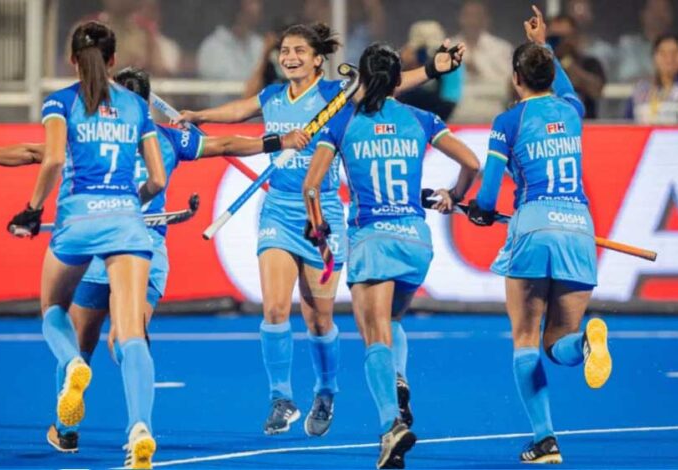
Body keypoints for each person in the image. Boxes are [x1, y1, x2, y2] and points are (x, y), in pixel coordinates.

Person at [0, 67, 309, 453]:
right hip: (143, 247)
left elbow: (35, 154)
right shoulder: (169, 138)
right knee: (128, 336)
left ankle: (66, 429)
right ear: (146, 103)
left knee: (78, 343)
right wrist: (278, 141)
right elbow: (225, 145)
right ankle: (139, 425)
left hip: (96, 244)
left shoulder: (88, 133)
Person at [179, 22, 465, 437]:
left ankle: (326, 391)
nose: (289, 57)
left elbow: (386, 82)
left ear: (318, 59)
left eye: (299, 50)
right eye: (284, 50)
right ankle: (281, 397)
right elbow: (238, 111)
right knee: (275, 309)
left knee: (319, 320)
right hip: (278, 211)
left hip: (323, 211)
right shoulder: (273, 96)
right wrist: (199, 115)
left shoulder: (336, 95)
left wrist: (433, 70)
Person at [302, 43, 479, 469]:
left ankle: (390, 426)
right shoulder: (421, 119)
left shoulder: (342, 120)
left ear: (361, 79)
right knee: (393, 319)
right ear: (399, 80)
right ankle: (398, 377)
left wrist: (318, 228)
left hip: (372, 241)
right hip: (416, 242)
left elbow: (311, 187)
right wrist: (454, 195)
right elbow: (472, 162)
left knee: (375, 337)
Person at [7, 22, 167, 468]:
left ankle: (74, 363)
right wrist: (128, 205)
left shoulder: (61, 101)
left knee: (53, 308)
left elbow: (54, 158)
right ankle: (140, 429)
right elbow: (157, 179)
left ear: (72, 60)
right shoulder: (136, 106)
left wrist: (32, 209)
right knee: (131, 333)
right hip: (128, 223)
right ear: (113, 59)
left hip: (78, 220)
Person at [465, 7, 612, 464]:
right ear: (551, 73)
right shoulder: (572, 110)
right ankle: (585, 343)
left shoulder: (507, 123)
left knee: (527, 339)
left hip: (533, 225)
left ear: (515, 79)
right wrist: (543, 45)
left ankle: (546, 440)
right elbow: (563, 86)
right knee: (559, 342)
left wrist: (479, 212)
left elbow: (487, 195)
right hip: (578, 229)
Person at [450, 0, 513, 123]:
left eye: (477, 16)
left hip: (493, 114)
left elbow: (508, 87)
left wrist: (479, 70)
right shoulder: (448, 49)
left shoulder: (502, 49)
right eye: (468, 15)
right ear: (460, 18)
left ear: (486, 19)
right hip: (456, 116)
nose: (472, 21)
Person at [197, 0, 265, 106]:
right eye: (251, 3)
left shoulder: (260, 45)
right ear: (237, 8)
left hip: (257, 115)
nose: (256, 8)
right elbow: (222, 93)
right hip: (222, 114)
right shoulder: (212, 47)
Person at [615, 0, 678, 82]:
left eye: (664, 10)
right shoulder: (630, 45)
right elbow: (626, 80)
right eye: (653, 9)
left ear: (671, 15)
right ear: (642, 15)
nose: (658, 15)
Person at [626, 34, 678, 123]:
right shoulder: (641, 89)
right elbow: (627, 122)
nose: (669, 59)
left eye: (675, 53)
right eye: (663, 54)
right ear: (654, 58)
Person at [546, 14, 606, 119]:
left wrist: (566, 62)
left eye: (564, 37)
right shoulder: (540, 65)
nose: (558, 42)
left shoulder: (590, 63)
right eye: (554, 38)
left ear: (575, 38)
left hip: (584, 124)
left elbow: (596, 90)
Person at [398, 20, 458, 120]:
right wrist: (402, 66)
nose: (426, 58)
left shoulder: (450, 63)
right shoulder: (401, 65)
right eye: (421, 51)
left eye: (434, 51)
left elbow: (450, 101)